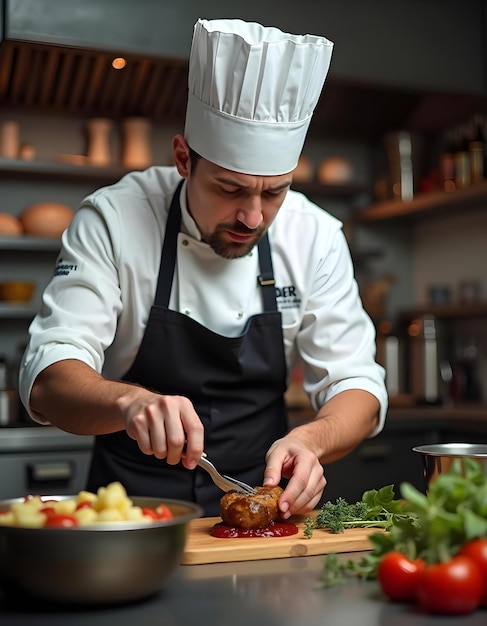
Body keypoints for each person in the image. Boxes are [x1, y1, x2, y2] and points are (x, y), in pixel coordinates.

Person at [19, 18, 387, 518]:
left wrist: (313, 439)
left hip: (265, 504)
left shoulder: (315, 235)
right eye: (230, 189)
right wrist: (129, 404)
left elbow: (357, 385)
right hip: (130, 510)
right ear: (183, 159)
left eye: (274, 191)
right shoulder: (114, 218)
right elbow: (49, 378)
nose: (253, 217)